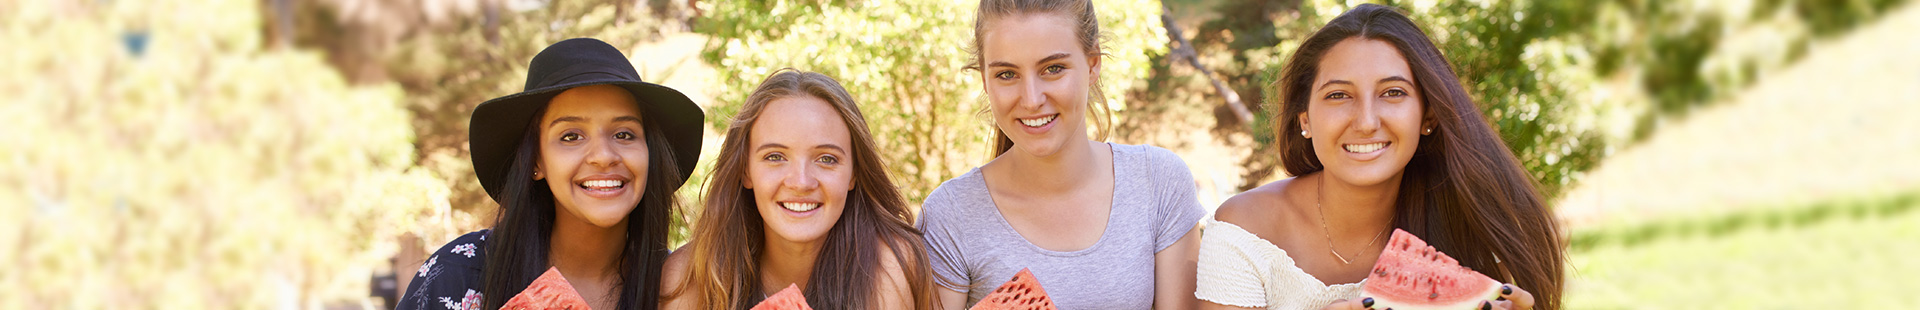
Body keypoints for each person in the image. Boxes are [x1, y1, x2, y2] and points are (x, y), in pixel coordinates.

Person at [1195, 4, 1563, 310]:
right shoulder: (1245, 230)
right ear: (1304, 119)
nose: (1367, 122)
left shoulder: (1477, 224)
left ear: (1428, 116)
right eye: (1339, 95)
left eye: (1393, 92)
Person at [917, 0, 1207, 308]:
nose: (1031, 100)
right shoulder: (950, 215)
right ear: (984, 80)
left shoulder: (1158, 181)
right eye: (1006, 74)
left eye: (1053, 69)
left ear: (1093, 63)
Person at [395, 38, 705, 310]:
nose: (603, 156)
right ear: (535, 162)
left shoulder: (680, 290)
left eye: (624, 134)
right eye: (571, 136)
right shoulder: (461, 275)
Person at [661, 69, 932, 310]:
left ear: (854, 174)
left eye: (827, 159)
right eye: (775, 157)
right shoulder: (687, 277)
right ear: (746, 171)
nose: (801, 182)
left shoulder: (886, 267)